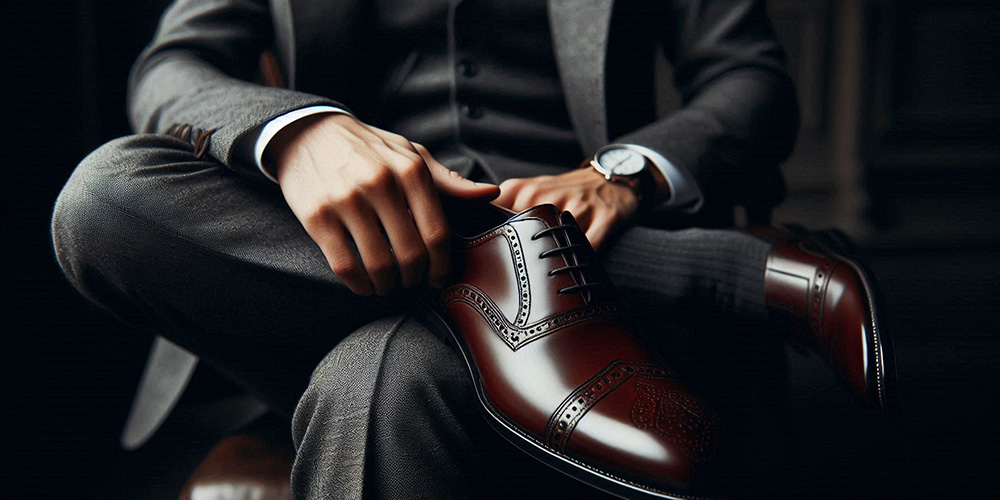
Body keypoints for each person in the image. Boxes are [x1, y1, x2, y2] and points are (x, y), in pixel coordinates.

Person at [52, 0, 892, 497]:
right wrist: (300, 134)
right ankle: (711, 273)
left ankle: (538, 273)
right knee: (100, 198)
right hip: (326, 260)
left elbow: (750, 78)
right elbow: (174, 69)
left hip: (593, 253)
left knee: (383, 378)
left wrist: (623, 174)